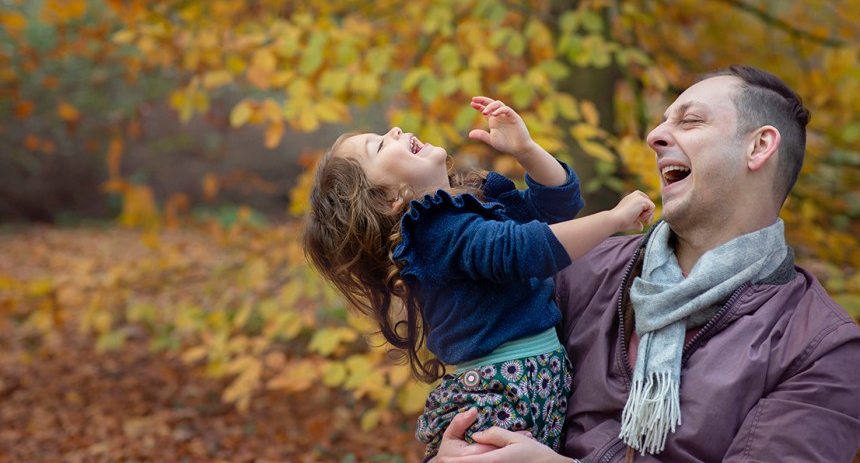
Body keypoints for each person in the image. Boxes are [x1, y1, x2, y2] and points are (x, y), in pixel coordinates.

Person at [432, 66, 860, 462]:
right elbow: (486, 390)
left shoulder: (823, 347)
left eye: (690, 121)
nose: (655, 135)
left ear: (759, 146)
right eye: (662, 121)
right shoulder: (578, 271)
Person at [302, 95, 655, 459]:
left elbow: (557, 207)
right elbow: (524, 251)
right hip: (498, 393)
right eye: (378, 146)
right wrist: (614, 220)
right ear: (387, 198)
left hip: (528, 383)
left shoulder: (473, 204)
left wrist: (527, 150)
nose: (392, 129)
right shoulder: (434, 234)